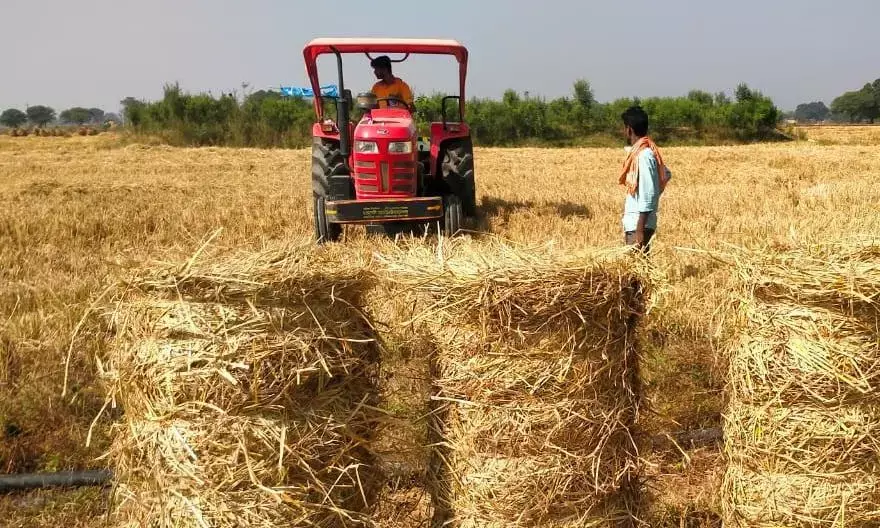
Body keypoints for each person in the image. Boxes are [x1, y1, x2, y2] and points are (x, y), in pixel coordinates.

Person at [619, 105, 671, 254]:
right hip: (638, 222)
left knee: (634, 271)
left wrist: (640, 229)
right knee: (639, 269)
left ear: (629, 129)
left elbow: (648, 191)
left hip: (639, 223)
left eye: (624, 128)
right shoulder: (645, 152)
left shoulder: (644, 155)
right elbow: (665, 174)